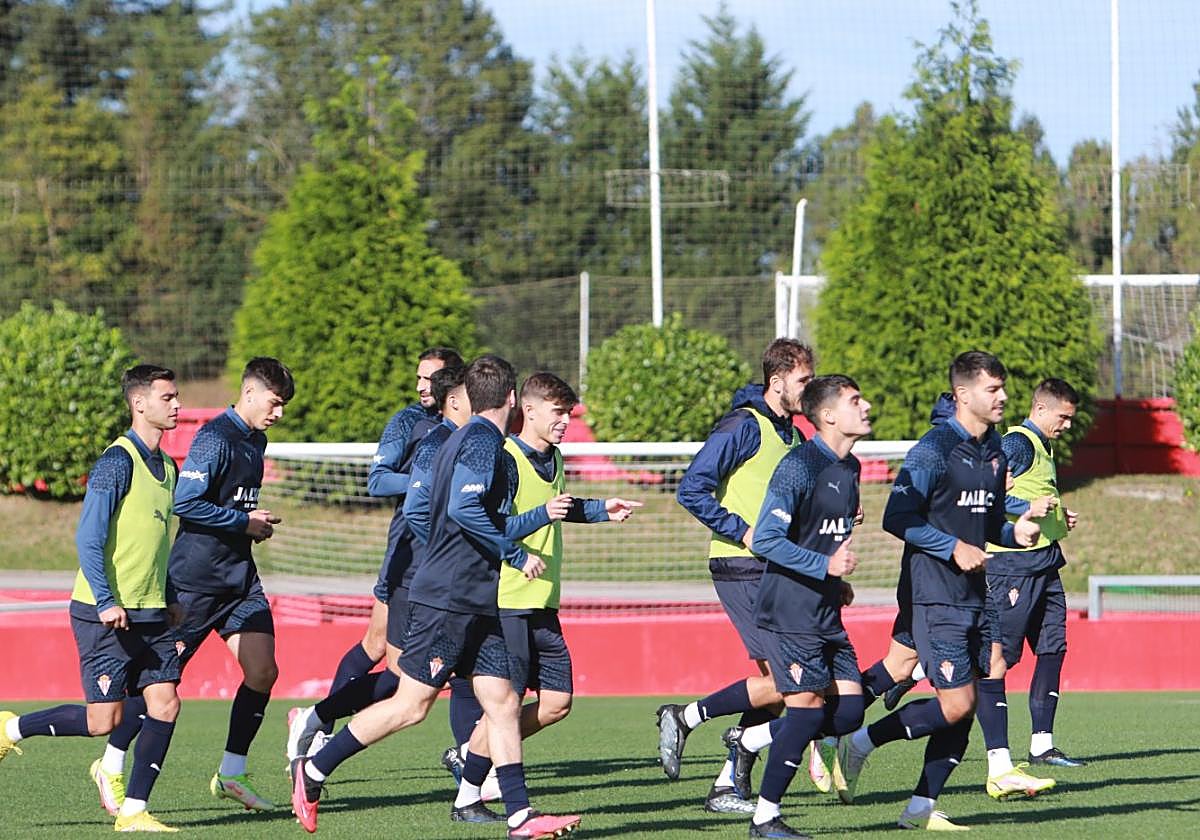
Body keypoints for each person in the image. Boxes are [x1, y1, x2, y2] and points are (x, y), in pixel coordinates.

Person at [290, 356, 581, 839]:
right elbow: (465, 508)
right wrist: (511, 553)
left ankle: (520, 817)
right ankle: (315, 769)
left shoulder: (461, 439)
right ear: (512, 399)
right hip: (449, 600)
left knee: (503, 703)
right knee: (411, 705)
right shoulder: (483, 441)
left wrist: (529, 526)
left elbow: (445, 513)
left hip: (474, 598)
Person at [836, 351, 1042, 830]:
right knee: (957, 703)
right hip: (934, 594)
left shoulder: (995, 449)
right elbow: (897, 517)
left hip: (976, 593)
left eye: (1003, 387)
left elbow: (989, 523)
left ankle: (919, 810)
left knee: (977, 693)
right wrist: (951, 547)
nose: (1003, 397)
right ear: (963, 395)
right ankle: (859, 742)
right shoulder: (933, 449)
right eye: (993, 389)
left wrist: (1015, 533)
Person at [93, 357, 295, 812]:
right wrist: (243, 522)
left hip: (239, 581)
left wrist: (248, 526)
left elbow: (234, 507)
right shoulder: (215, 438)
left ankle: (231, 773)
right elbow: (186, 503)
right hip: (194, 585)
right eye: (274, 402)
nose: (279, 413)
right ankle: (110, 762)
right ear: (249, 392)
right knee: (159, 687)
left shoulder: (257, 440)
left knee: (263, 671)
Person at [447, 372, 640, 822]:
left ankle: (472, 755)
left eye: (568, 414)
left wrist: (601, 510)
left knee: (557, 703)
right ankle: (470, 792)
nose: (565, 422)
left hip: (544, 600)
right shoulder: (504, 457)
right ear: (527, 410)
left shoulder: (554, 457)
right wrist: (535, 526)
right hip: (508, 599)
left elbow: (560, 507)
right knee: (505, 706)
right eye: (558, 413)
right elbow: (490, 526)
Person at [1, 365, 184, 832]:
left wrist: (169, 595)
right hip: (105, 614)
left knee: (165, 704)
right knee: (103, 722)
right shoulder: (116, 461)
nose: (177, 405)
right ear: (139, 403)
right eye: (167, 397)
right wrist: (105, 600)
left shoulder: (169, 468)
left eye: (176, 396)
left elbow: (157, 544)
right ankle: (10, 728)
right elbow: (88, 537)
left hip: (151, 612)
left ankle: (133, 811)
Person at [285, 363, 472, 759]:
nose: (422, 385)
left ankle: (472, 763)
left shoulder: (473, 433)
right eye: (419, 377)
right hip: (409, 559)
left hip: (447, 570)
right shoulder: (412, 424)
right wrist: (428, 482)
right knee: (390, 663)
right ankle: (318, 726)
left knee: (455, 671)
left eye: (430, 378)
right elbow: (378, 480)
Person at [658, 338, 813, 813]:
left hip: (777, 568)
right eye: (803, 380)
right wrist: (742, 531)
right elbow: (692, 488)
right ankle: (687, 718)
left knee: (780, 682)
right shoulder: (743, 426)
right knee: (788, 680)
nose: (809, 389)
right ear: (777, 381)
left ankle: (726, 783)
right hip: (740, 566)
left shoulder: (794, 437)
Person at [739, 375, 871, 838]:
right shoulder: (799, 466)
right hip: (789, 611)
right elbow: (766, 540)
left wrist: (837, 581)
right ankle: (765, 818)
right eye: (855, 401)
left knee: (850, 713)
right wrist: (825, 565)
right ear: (828, 415)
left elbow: (825, 534)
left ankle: (751, 738)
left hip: (825, 610)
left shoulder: (850, 467)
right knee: (807, 713)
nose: (866, 407)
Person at [981, 378, 1085, 769]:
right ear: (1040, 409)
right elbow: (986, 491)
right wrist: (1026, 506)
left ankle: (1042, 745)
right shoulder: (1018, 443)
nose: (1067, 425)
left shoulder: (1042, 445)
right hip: (1013, 567)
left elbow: (1035, 494)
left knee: (1052, 648)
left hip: (1045, 563)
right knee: (997, 658)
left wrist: (1058, 516)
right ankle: (919, 670)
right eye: (1063, 417)